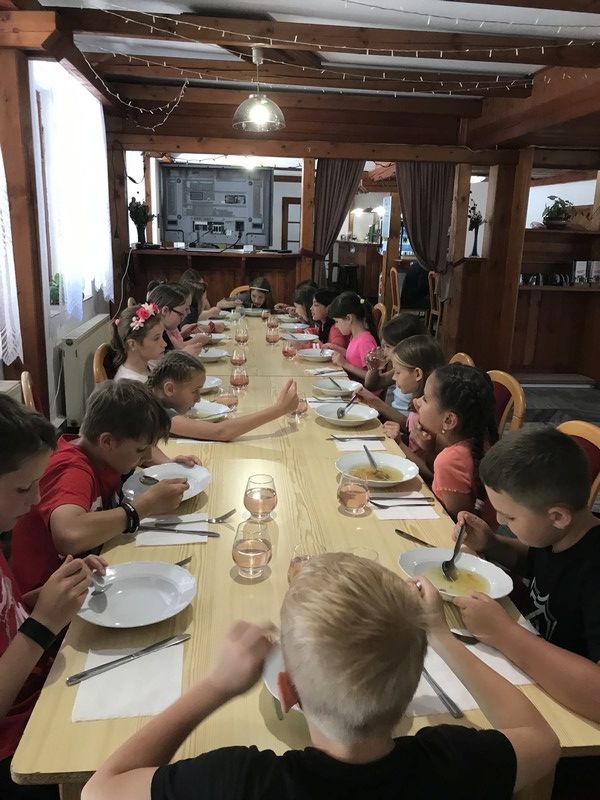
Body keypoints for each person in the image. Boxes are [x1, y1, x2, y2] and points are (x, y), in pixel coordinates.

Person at [82, 553, 559, 800]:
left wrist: (215, 686)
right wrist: (440, 634)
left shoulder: (242, 783)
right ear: (414, 683)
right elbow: (539, 737)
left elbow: (100, 789)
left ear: (286, 690)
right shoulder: (454, 764)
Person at [0, 395, 99, 799]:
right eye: (24, 487)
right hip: (17, 750)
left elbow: (7, 615)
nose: (38, 499)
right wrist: (43, 623)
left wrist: (52, 595)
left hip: (41, 685)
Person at [10, 381, 189, 595]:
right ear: (107, 442)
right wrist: (143, 506)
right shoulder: (72, 469)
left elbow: (136, 447)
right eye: (141, 450)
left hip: (86, 571)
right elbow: (69, 534)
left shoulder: (104, 455)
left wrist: (167, 463)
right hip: (45, 597)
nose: (148, 456)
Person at [148, 351, 300, 443]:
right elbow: (220, 432)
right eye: (195, 391)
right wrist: (279, 409)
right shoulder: (158, 412)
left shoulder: (154, 397)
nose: (199, 399)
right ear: (169, 389)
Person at [414, 364, 498, 524]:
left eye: (425, 399)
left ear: (449, 420)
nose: (417, 402)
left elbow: (457, 523)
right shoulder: (480, 438)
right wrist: (429, 447)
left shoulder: (449, 460)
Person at [366, 335, 445, 481]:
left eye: (397, 372)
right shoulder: (420, 400)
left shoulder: (431, 414)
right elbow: (408, 427)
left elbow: (432, 474)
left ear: (417, 374)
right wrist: (374, 401)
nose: (393, 378)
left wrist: (400, 443)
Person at [363, 313, 427, 412]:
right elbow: (372, 385)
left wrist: (377, 403)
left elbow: (410, 420)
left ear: (406, 347)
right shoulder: (402, 369)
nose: (384, 351)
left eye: (388, 347)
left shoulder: (416, 375)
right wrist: (374, 367)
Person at [328, 291, 380, 382]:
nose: (336, 326)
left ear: (349, 318)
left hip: (363, 390)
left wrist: (345, 364)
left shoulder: (365, 341)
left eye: (337, 321)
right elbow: (354, 357)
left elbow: (373, 377)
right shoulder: (355, 336)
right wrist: (334, 347)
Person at [147, 284, 210, 355]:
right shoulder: (153, 334)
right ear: (165, 311)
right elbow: (160, 360)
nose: (188, 312)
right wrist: (184, 353)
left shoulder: (167, 330)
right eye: (181, 314)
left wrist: (183, 335)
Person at [112, 303, 166, 382]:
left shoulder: (146, 366)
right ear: (133, 344)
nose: (164, 344)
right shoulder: (131, 384)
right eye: (156, 338)